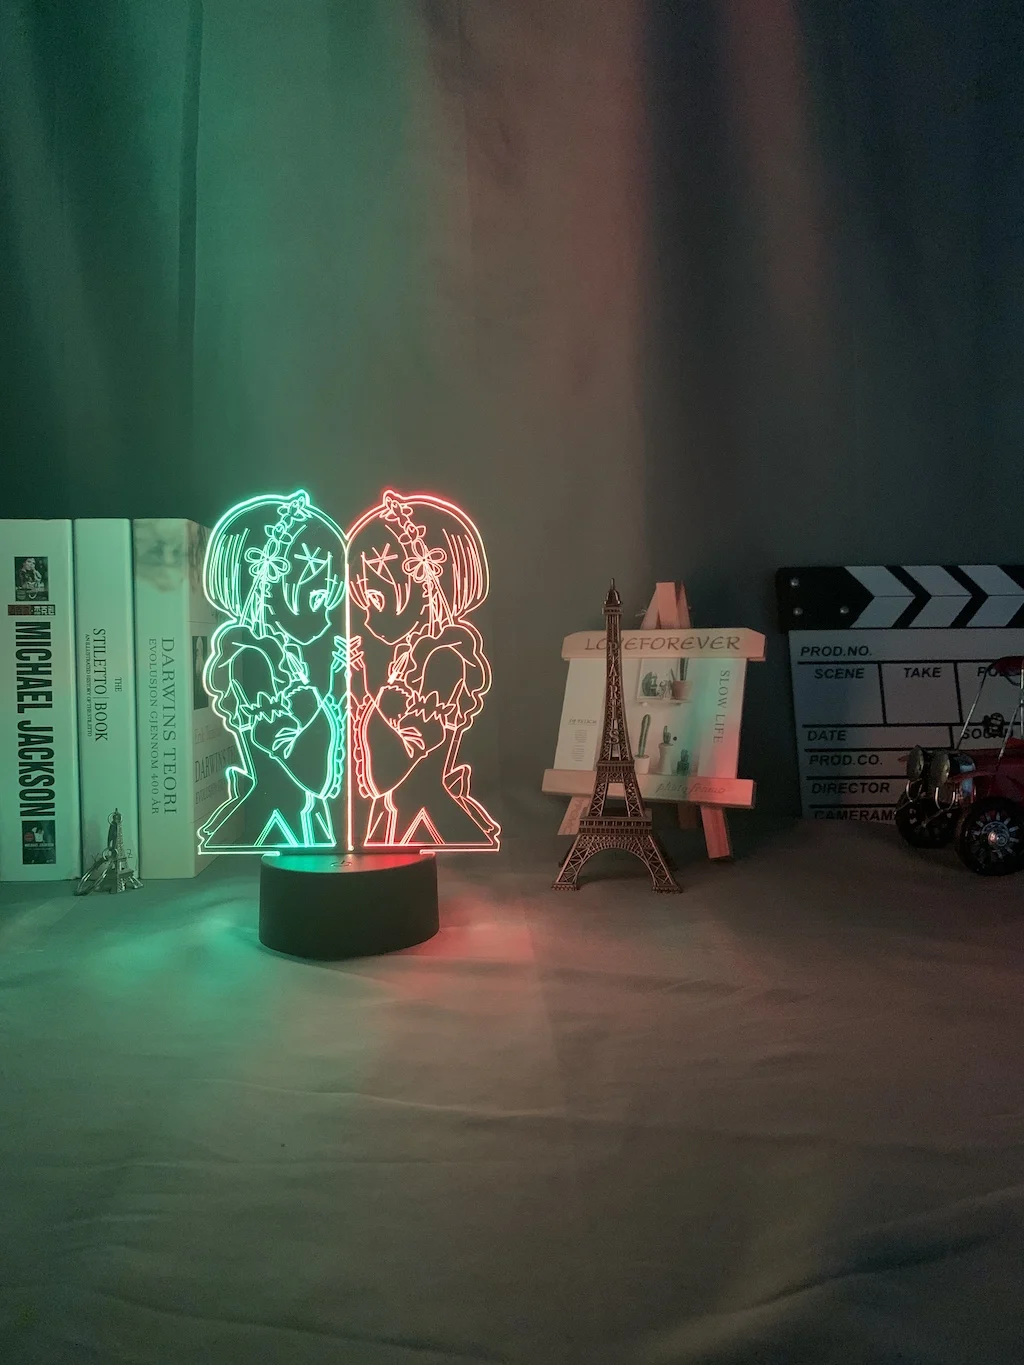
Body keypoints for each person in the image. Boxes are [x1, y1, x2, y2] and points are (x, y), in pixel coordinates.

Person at [347, 490, 499, 849]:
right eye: (364, 601)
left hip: (421, 814)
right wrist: (360, 689)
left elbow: (389, 769)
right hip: (400, 814)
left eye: (376, 599)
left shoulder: (444, 658)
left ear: (427, 582)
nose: (367, 619)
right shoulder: (414, 654)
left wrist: (365, 692)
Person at [198, 491, 348, 850]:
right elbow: (315, 774)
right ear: (266, 581)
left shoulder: (276, 654)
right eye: (317, 598)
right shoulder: (254, 658)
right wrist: (333, 690)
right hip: (279, 821)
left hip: (298, 820)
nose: (328, 617)